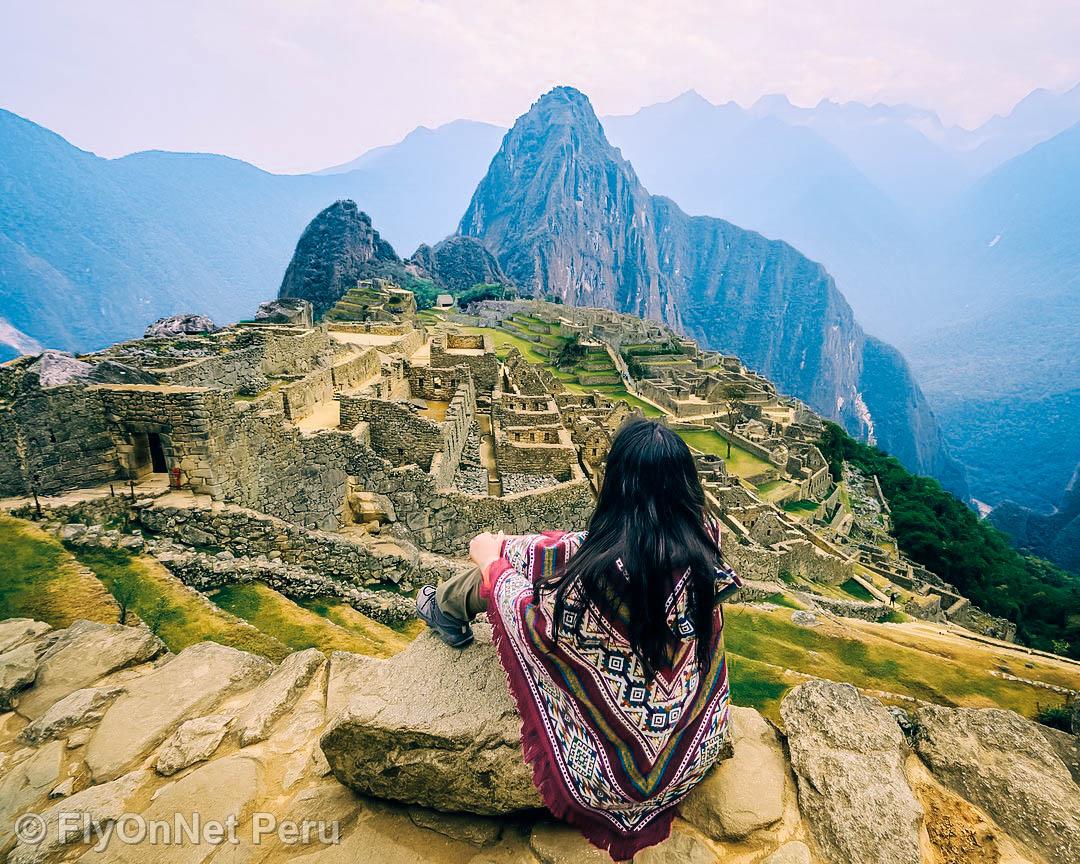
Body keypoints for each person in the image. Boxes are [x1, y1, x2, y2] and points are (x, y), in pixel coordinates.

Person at [417, 419, 742, 859]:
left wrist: (493, 563)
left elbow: (535, 628)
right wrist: (517, 548)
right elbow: (574, 547)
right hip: (693, 748)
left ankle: (444, 608)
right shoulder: (706, 543)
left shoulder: (595, 575)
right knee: (533, 560)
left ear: (616, 484)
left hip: (605, 777)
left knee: (503, 581)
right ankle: (448, 602)